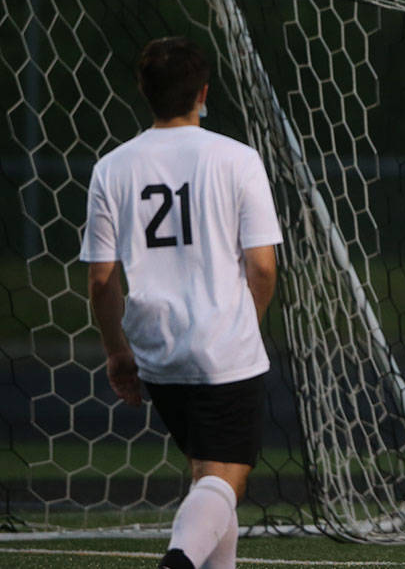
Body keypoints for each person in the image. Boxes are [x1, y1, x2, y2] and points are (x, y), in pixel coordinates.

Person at [80, 37, 282, 569]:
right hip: (223, 347)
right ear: (203, 93)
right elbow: (262, 266)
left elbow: (102, 281)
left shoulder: (111, 169)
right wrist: (245, 323)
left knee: (206, 477)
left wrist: (118, 351)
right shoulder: (237, 158)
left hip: (157, 351)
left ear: (144, 91)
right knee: (227, 479)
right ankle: (176, 563)